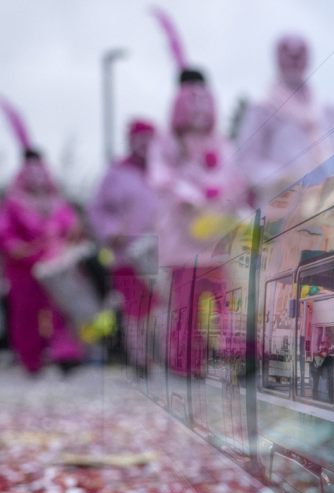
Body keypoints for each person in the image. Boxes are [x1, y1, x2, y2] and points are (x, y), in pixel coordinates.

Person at [150, 8, 246, 375]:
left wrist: (219, 192)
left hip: (215, 236)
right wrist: (189, 192)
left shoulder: (220, 142)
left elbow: (233, 174)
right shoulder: (167, 143)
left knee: (224, 299)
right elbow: (160, 177)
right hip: (183, 239)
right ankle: (186, 361)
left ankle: (236, 355)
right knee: (187, 303)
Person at [0, 99, 83, 375]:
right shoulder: (14, 202)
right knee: (26, 314)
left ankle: (65, 354)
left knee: (61, 310)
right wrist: (19, 248)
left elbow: (70, 222)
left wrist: (70, 232)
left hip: (56, 266)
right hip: (25, 269)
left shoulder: (54, 199)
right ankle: (31, 359)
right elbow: (6, 233)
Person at [87, 118, 159, 369]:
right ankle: (139, 358)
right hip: (126, 252)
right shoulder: (116, 173)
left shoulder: (163, 170)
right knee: (133, 306)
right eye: (140, 140)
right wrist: (111, 230)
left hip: (161, 251)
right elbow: (96, 208)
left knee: (158, 305)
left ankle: (161, 356)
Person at [235, 34, 328, 207]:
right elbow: (246, 160)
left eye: (300, 54)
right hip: (279, 207)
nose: (294, 60)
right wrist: (281, 178)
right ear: (278, 58)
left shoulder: (323, 109)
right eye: (288, 54)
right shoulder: (262, 107)